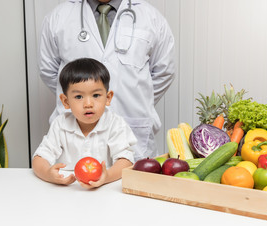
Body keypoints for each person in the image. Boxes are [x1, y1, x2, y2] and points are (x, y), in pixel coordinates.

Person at [39, 0, 175, 161]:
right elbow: (49, 71)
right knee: (75, 181)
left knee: (132, 181)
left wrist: (138, 99)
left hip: (134, 127)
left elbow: (164, 71)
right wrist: (79, 98)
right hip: (75, 140)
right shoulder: (58, 17)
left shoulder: (151, 18)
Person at [32, 58, 137, 188]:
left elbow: (126, 161)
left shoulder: (115, 124)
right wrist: (48, 174)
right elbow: (39, 159)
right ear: (65, 101)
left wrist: (106, 177)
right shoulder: (60, 124)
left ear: (108, 98)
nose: (88, 104)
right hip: (68, 191)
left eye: (96, 95)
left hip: (106, 190)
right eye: (78, 97)